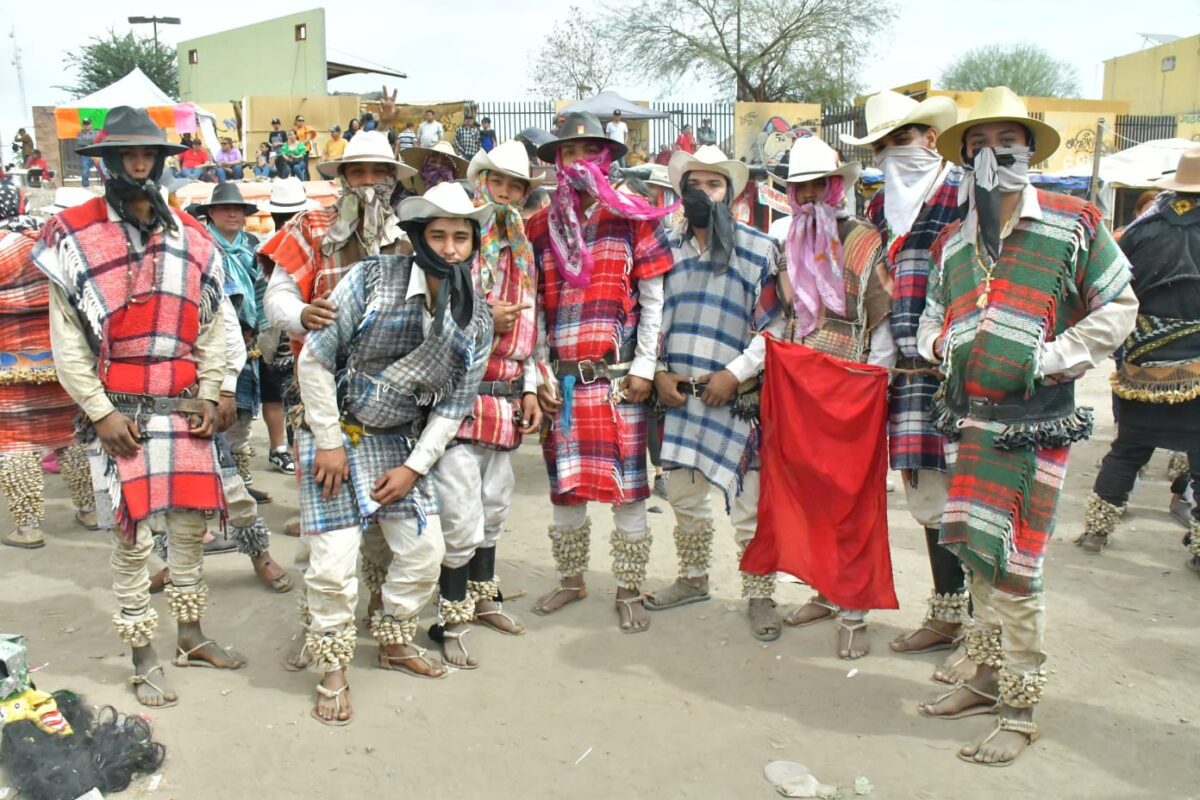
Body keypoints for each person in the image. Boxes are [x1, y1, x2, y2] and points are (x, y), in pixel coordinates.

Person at [914, 87, 1137, 766]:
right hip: (970, 422)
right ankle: (983, 677)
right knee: (978, 559)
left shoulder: (1074, 223)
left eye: (1005, 141)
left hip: (1034, 426)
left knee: (1017, 567)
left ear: (1029, 151)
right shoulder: (954, 243)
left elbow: (1118, 306)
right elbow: (929, 319)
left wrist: (1048, 357)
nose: (991, 154)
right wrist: (941, 347)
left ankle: (1020, 706)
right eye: (977, 144)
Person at [34, 106, 247, 708]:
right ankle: (142, 655)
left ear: (159, 161)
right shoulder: (73, 234)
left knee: (188, 529)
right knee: (131, 543)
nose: (138, 163)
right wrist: (100, 412)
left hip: (183, 407)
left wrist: (213, 390)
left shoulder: (189, 234)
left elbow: (212, 327)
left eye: (148, 154)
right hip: (120, 412)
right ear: (106, 162)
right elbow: (68, 338)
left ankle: (191, 636)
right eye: (126, 154)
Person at [296, 181, 493, 723]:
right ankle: (333, 667)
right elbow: (313, 362)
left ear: (474, 243)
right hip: (336, 433)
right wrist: (330, 442)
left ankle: (393, 638)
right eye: (439, 235)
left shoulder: (475, 317)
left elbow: (454, 406)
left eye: (461, 237)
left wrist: (412, 468)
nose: (451, 248)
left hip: (400, 443)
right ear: (415, 237)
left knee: (425, 551)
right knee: (334, 564)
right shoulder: (370, 279)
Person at [261, 131, 417, 667]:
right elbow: (277, 293)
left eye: (379, 172)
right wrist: (300, 314)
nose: (369, 182)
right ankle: (319, 627)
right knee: (325, 528)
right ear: (342, 178)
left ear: (392, 177)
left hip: (392, 401)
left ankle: (380, 615)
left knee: (385, 523)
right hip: (322, 392)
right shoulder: (310, 226)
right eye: (359, 172)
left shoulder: (407, 233)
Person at [525, 111, 676, 633]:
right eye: (569, 152)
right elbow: (533, 306)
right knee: (564, 488)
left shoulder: (634, 215)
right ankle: (572, 580)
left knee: (628, 490)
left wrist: (645, 365)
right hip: (561, 379)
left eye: (591, 151)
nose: (580, 161)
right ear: (558, 161)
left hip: (616, 380)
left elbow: (654, 298)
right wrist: (538, 372)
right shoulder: (540, 225)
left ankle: (630, 585)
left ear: (608, 158)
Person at [841, 90, 973, 681]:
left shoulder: (970, 193)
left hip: (968, 374)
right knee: (928, 501)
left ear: (933, 137)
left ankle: (985, 629)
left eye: (911, 136)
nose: (903, 150)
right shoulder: (874, 213)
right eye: (890, 142)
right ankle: (948, 615)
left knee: (978, 502)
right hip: (904, 379)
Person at [642, 145, 785, 640]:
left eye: (713, 184)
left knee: (749, 503)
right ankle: (693, 578)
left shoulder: (760, 248)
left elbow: (777, 326)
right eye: (693, 185)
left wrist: (737, 373)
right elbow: (648, 316)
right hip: (679, 392)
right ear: (680, 194)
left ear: (731, 192)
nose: (703, 193)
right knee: (684, 495)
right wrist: (658, 371)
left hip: (738, 395)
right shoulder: (663, 246)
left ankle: (760, 594)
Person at [760, 137, 895, 657]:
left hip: (851, 378)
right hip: (800, 375)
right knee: (811, 489)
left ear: (835, 186)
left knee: (852, 496)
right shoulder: (788, 240)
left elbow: (880, 317)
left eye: (818, 184)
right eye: (800, 187)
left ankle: (855, 611)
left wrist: (873, 382)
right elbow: (782, 313)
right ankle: (824, 589)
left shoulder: (862, 240)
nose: (809, 195)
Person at [429, 142, 542, 668]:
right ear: (481, 183)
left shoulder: (523, 251)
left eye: (515, 186)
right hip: (457, 395)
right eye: (496, 182)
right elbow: (426, 321)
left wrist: (530, 384)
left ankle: (482, 596)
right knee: (460, 514)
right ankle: (449, 617)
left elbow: (532, 326)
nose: (504, 193)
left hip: (504, 395)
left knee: (495, 504)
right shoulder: (455, 244)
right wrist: (482, 322)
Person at [1076, 149, 1200, 569]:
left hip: (1138, 363)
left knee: (1128, 447)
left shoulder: (1138, 231)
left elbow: (1108, 289)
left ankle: (1097, 530)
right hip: (1196, 368)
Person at [0, 204, 98, 551]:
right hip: (61, 357)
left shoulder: (6, 248)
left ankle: (27, 527)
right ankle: (90, 510)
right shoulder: (53, 244)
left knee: (15, 444)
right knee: (70, 438)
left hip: (9, 365)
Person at [400, 140, 468, 195]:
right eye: (433, 161)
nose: (438, 166)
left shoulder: (459, 199)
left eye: (444, 163)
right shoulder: (411, 197)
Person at [75, 119, 99, 188]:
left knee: (103, 170)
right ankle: (85, 187)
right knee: (85, 172)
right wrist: (91, 142)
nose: (86, 126)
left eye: (88, 124)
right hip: (85, 155)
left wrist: (86, 142)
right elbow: (79, 142)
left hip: (95, 154)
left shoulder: (95, 132)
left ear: (91, 124)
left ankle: (106, 185)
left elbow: (95, 140)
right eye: (85, 124)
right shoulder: (80, 133)